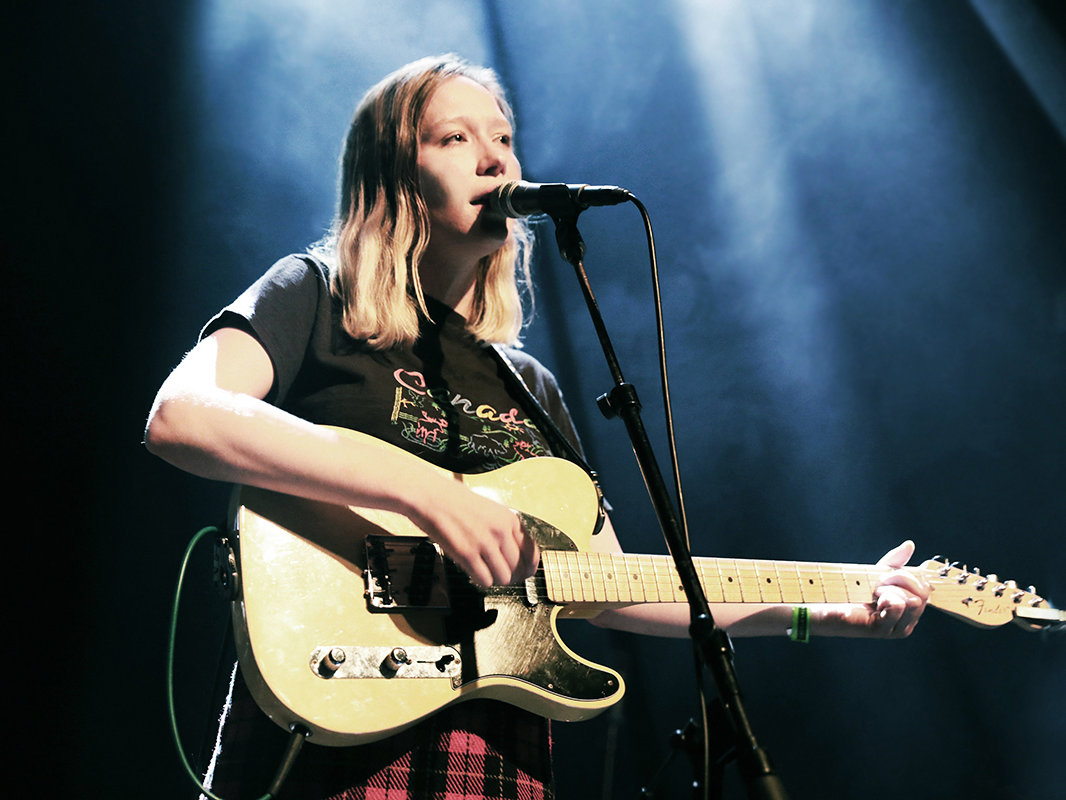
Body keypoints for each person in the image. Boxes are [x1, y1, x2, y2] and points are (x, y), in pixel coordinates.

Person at [146, 54, 929, 800]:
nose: (497, 162)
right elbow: (182, 416)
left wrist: (825, 609)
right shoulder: (314, 295)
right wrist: (426, 493)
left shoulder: (528, 385)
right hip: (330, 714)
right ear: (393, 176)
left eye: (504, 139)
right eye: (456, 138)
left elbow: (607, 585)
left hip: (493, 746)